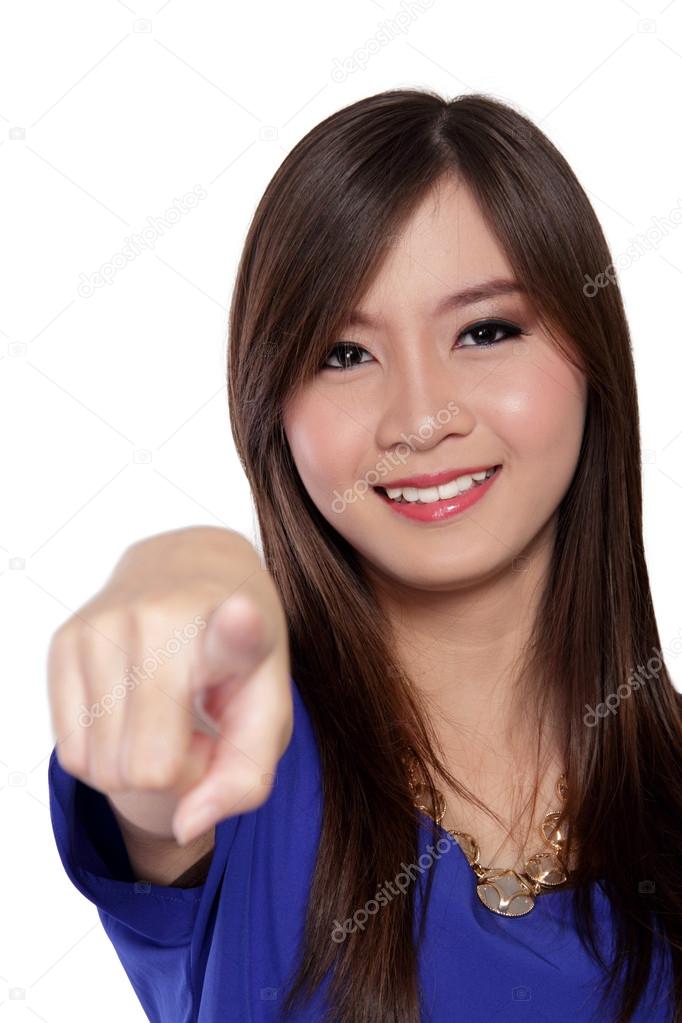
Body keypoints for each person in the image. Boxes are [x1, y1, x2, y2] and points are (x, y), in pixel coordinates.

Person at [46, 88, 681, 1023]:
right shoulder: (247, 764)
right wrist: (190, 575)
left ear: (593, 361)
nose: (420, 417)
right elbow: (156, 745)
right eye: (345, 354)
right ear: (275, 412)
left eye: (486, 331)